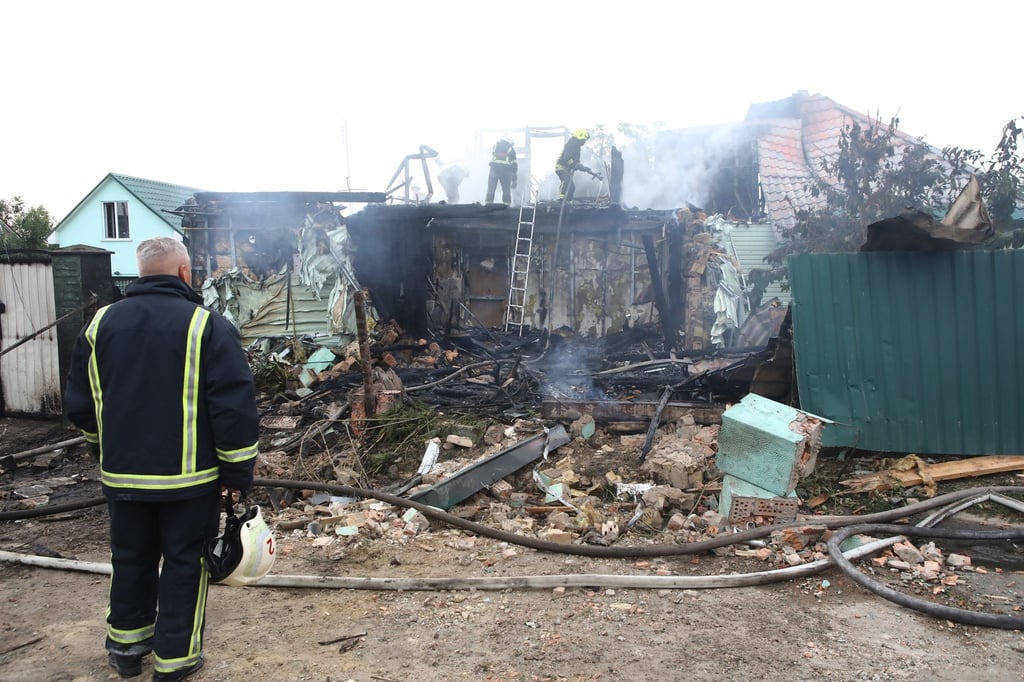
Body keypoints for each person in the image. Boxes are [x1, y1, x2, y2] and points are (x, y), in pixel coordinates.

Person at [64, 237, 259, 682]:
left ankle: (126, 647)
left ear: (141, 271)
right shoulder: (206, 325)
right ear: (185, 272)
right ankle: (175, 660)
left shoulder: (99, 325)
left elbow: (81, 404)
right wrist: (237, 472)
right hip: (188, 482)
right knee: (185, 562)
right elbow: (232, 406)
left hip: (123, 478)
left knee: (129, 557)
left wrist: (104, 449)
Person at [555, 128, 592, 201]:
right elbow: (566, 158)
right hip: (561, 167)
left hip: (566, 169)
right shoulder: (572, 144)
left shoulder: (577, 147)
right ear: (580, 136)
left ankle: (568, 201)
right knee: (566, 181)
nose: (584, 142)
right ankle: (561, 199)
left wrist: (583, 168)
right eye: (584, 140)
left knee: (572, 187)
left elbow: (576, 162)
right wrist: (574, 165)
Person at [485, 136, 518, 205]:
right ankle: (506, 204)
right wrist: (514, 178)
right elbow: (514, 164)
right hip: (505, 170)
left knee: (491, 187)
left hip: (494, 169)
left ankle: (488, 204)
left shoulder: (495, 146)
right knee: (506, 188)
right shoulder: (511, 149)